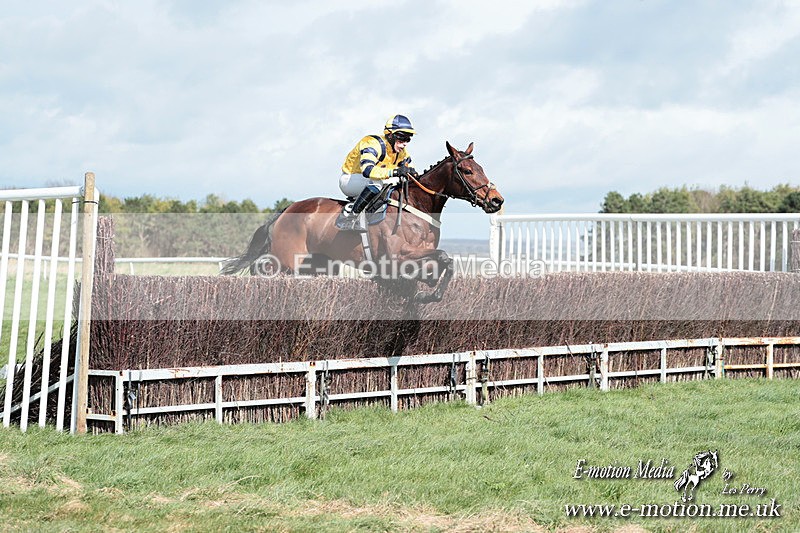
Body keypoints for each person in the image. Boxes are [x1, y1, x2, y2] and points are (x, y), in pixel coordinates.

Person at [336, 114, 419, 231]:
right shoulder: (372, 143)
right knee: (378, 182)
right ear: (390, 135)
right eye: (402, 138)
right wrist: (396, 171)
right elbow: (367, 170)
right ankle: (350, 217)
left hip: (369, 182)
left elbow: (410, 171)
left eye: (408, 139)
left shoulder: (401, 152)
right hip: (351, 180)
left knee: (399, 182)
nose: (405, 143)